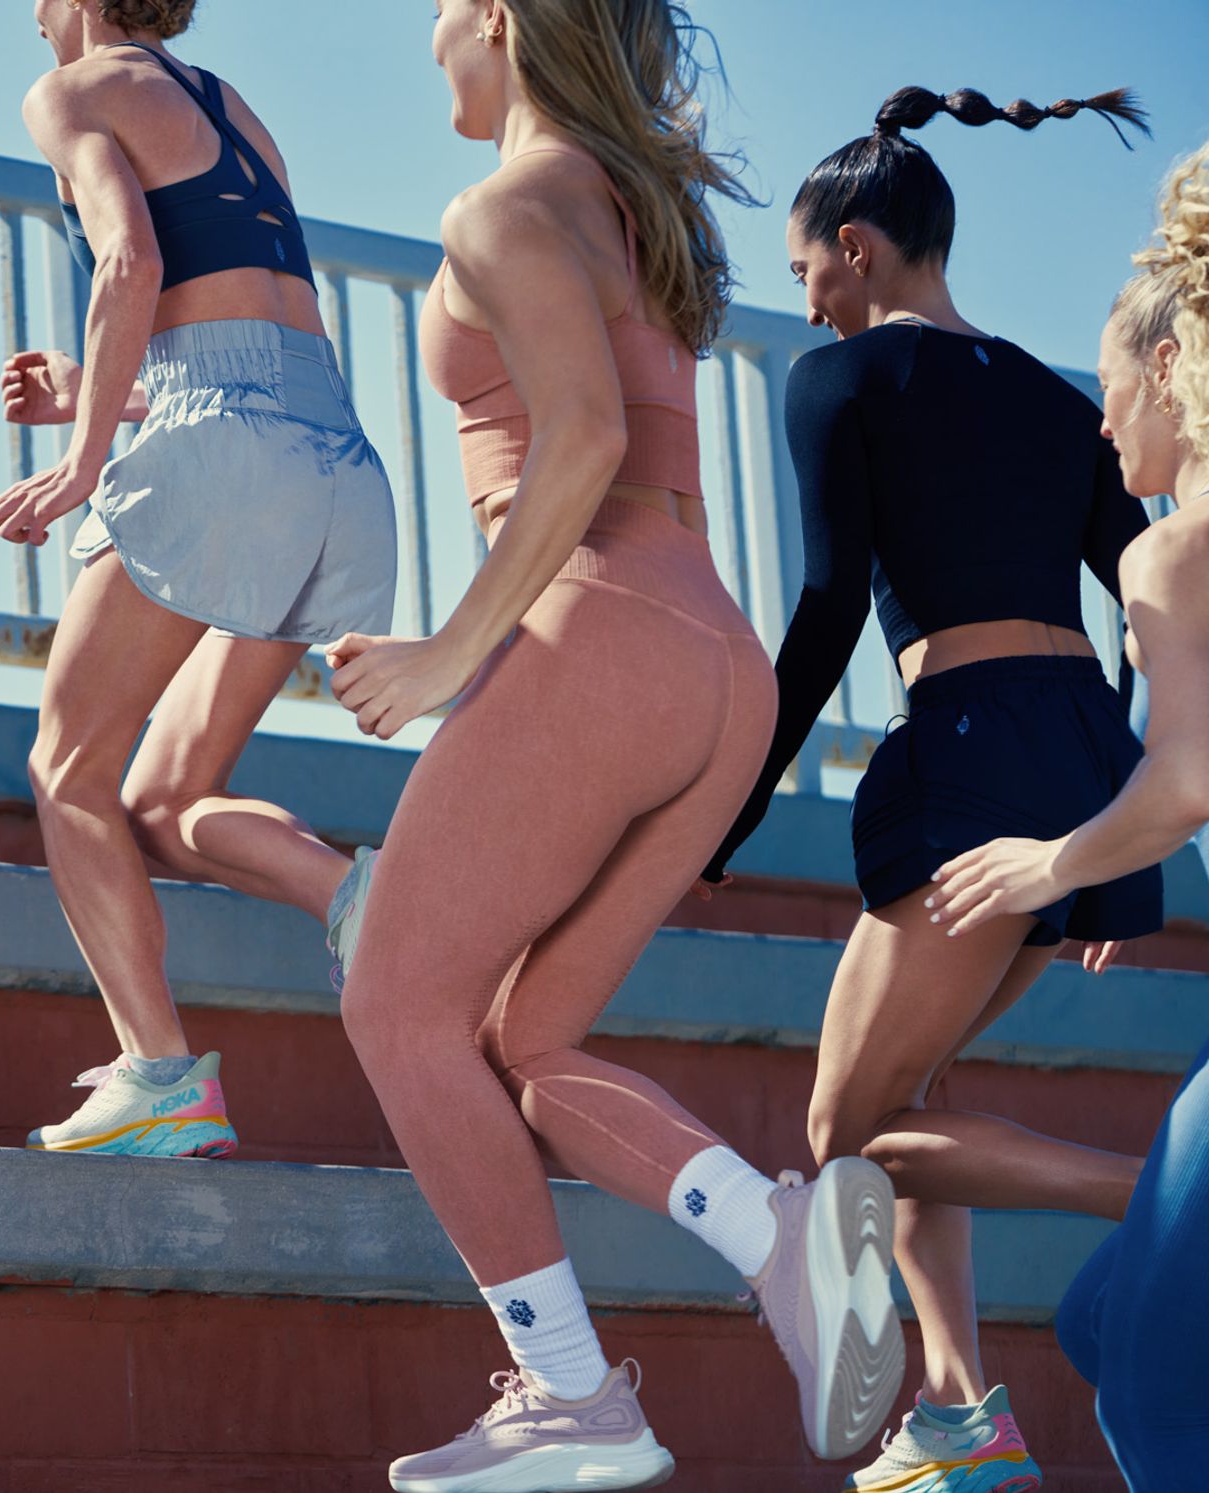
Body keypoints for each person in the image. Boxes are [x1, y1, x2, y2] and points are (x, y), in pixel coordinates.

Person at [333, 5, 906, 1487]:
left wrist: (446, 653)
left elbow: (580, 438)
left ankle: (571, 1392)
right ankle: (774, 1235)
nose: (427, 41)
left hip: (600, 635)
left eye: (441, 11)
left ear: (500, 20)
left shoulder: (499, 207)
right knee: (526, 1041)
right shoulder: (628, 212)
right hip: (712, 663)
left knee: (395, 1007)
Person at [700, 85, 1156, 1493]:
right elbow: (1140, 603)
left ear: (857, 247)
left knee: (843, 1135)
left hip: (966, 750)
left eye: (807, 271)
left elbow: (829, 604)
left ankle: (1162, 1196)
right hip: (1079, 752)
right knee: (918, 1094)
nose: (808, 302)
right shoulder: (1058, 399)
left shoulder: (838, 378)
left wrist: (735, 801)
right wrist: (1111, 827)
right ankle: (959, 1415)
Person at [0, 0, 397, 1159]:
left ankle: (159, 1076)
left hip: (227, 444)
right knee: (166, 800)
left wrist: (81, 463)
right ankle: (363, 902)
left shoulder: (70, 90)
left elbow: (131, 259)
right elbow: (244, 331)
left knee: (66, 764)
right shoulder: (231, 107)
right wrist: (102, 398)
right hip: (333, 459)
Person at [930, 142, 1209, 1492]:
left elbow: (1186, 782)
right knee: (1101, 1319)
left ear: (1166, 367)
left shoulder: (1170, 551)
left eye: (1105, 390)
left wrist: (1052, 862)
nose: (1101, 428)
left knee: (1151, 1393)